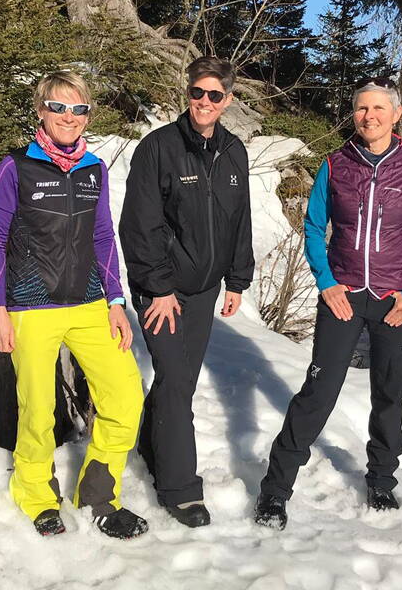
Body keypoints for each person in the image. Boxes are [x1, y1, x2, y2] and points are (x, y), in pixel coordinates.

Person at [253, 76, 402, 530]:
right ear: (353, 114)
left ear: (395, 114)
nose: (369, 116)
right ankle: (275, 492)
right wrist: (327, 283)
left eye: (378, 109)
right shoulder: (335, 165)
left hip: (395, 302)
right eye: (361, 109)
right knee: (318, 393)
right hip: (343, 298)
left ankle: (381, 481)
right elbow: (315, 229)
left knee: (389, 395)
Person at [0, 71, 147, 540]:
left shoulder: (94, 168)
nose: (69, 117)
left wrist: (116, 301)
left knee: (124, 395)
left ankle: (98, 494)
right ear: (41, 111)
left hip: (91, 304)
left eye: (79, 109)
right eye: (58, 107)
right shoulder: (16, 168)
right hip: (32, 306)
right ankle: (34, 492)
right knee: (37, 408)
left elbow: (101, 236)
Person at [119, 56, 254, 528]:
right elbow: (139, 224)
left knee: (179, 382)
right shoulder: (158, 148)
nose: (204, 102)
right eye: (198, 92)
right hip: (163, 290)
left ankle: (151, 445)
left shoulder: (234, 151)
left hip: (203, 291)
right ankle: (179, 489)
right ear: (188, 92)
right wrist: (157, 287)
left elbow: (239, 221)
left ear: (228, 100)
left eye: (215, 95)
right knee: (177, 384)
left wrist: (237, 279)